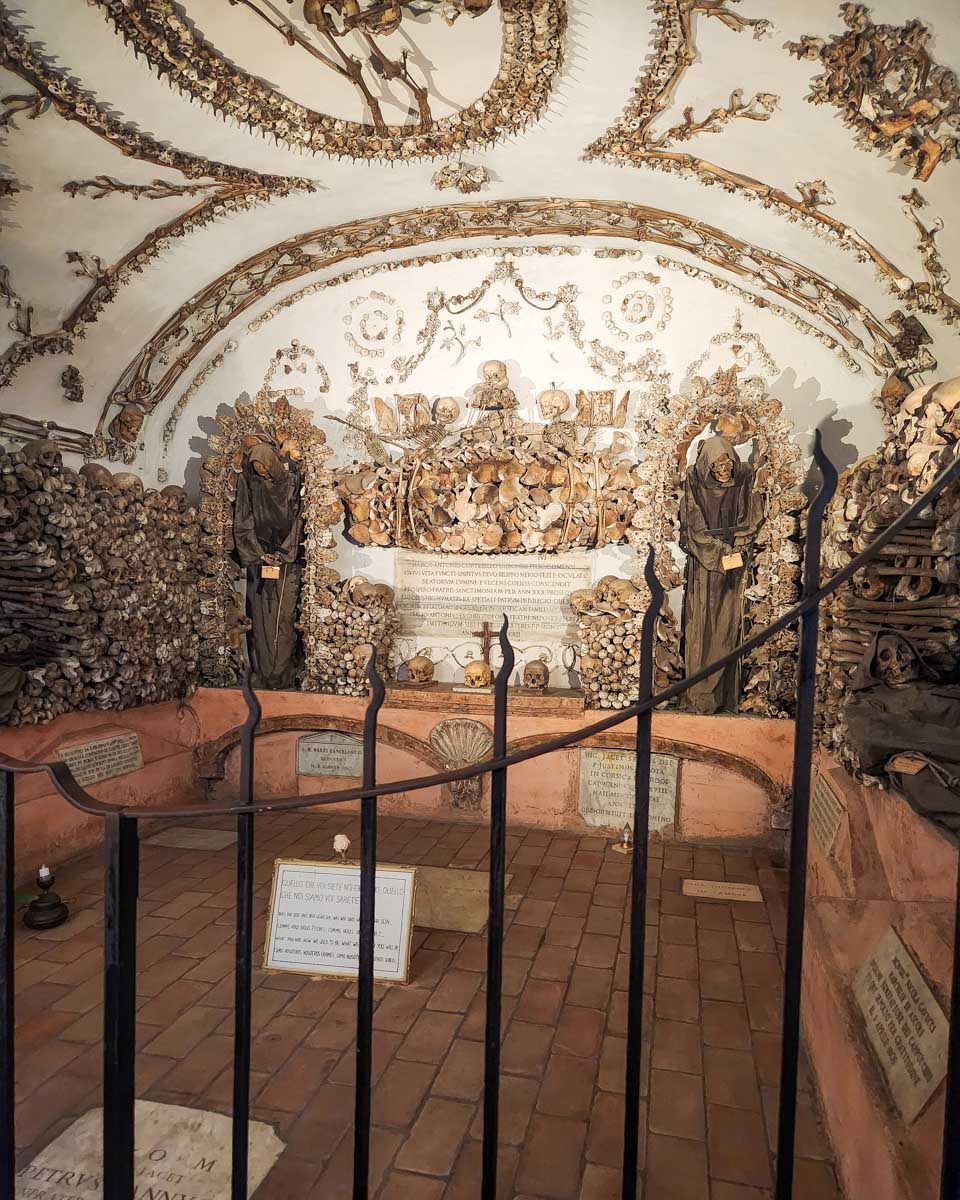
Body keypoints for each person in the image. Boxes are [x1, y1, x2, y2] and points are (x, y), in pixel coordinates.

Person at [679, 432, 763, 713]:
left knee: (728, 627)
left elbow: (752, 517)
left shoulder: (745, 477)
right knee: (703, 628)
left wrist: (738, 546)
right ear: (707, 466)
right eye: (717, 466)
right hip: (706, 567)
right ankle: (701, 693)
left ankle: (726, 694)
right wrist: (719, 551)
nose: (724, 470)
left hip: (736, 564)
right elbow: (693, 524)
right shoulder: (694, 480)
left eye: (728, 464)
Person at [233, 440, 303, 689]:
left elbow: (298, 521)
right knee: (260, 618)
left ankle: (282, 673)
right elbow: (243, 522)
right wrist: (260, 554)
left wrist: (285, 553)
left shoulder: (291, 484)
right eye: (257, 467)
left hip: (286, 564)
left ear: (273, 462)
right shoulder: (252, 486)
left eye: (264, 466)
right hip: (260, 561)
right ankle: (263, 672)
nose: (262, 471)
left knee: (283, 618)